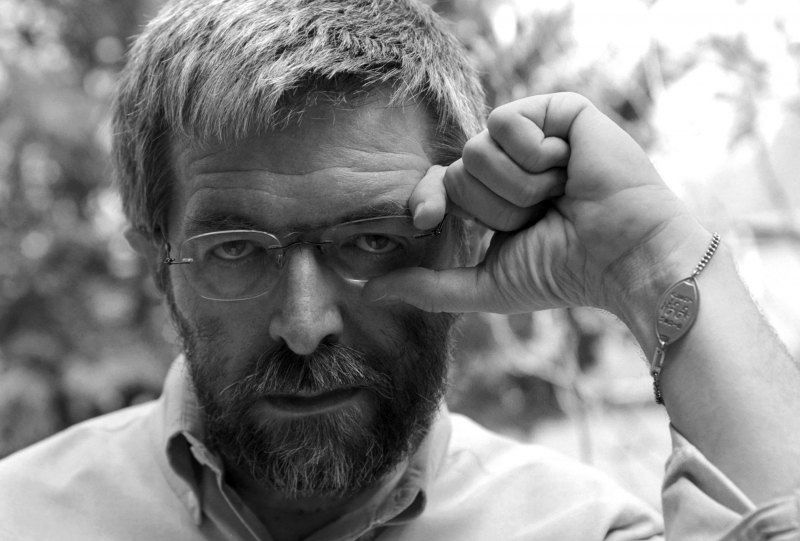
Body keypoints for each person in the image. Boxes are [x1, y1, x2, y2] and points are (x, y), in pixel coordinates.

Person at [1, 0, 799, 539]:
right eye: (236, 249)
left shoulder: (577, 527)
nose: (304, 324)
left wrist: (650, 262)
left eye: (373, 239)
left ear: (462, 236)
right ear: (157, 264)